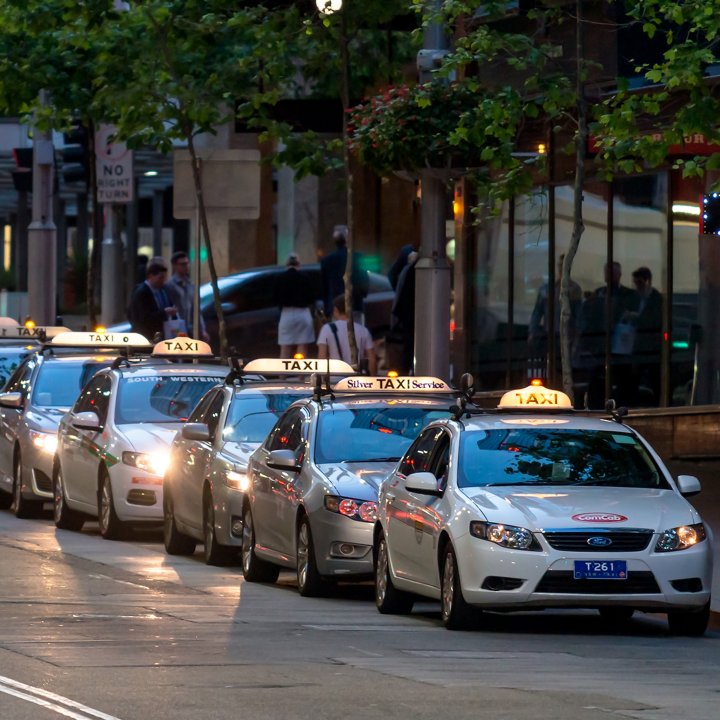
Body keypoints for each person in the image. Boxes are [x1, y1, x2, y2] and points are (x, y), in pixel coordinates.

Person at [577, 261, 639, 408]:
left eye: (613, 272)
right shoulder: (599, 294)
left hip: (620, 347)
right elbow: (589, 317)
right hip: (601, 347)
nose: (609, 275)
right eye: (607, 272)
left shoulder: (628, 295)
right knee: (597, 379)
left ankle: (621, 405)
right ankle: (595, 406)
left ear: (619, 275)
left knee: (622, 379)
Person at [527, 254, 583, 365]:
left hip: (566, 336)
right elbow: (538, 311)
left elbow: (578, 316)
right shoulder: (547, 288)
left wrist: (577, 337)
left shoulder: (574, 290)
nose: (561, 268)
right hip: (549, 333)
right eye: (560, 265)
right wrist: (532, 331)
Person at [317, 294, 377, 375]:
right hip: (358, 378)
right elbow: (372, 359)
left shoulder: (327, 329)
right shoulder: (363, 330)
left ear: (336, 310)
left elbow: (322, 357)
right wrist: (371, 378)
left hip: (335, 377)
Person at [629, 266, 663, 405]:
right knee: (634, 377)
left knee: (655, 378)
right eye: (635, 283)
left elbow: (655, 321)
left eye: (640, 283)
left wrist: (637, 318)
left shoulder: (656, 299)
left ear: (647, 281)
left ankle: (657, 403)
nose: (637, 287)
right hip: (638, 345)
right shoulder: (636, 299)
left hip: (652, 347)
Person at [320, 225, 369, 317]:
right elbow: (364, 281)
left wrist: (327, 308)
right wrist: (362, 294)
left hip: (336, 308)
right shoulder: (358, 257)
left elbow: (324, 287)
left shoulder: (326, 260)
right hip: (355, 305)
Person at [275, 252, 317, 359]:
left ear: (287, 264)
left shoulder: (280, 278)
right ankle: (300, 375)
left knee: (285, 349)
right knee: (302, 347)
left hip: (286, 314)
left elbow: (275, 298)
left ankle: (282, 375)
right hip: (303, 314)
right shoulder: (305, 277)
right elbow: (312, 298)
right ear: (299, 264)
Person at [127, 260, 178, 342]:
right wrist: (164, 312)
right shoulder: (142, 292)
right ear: (151, 276)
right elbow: (142, 317)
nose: (163, 281)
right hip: (145, 336)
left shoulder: (163, 290)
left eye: (164, 278)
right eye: (160, 278)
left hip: (159, 335)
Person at [165, 251, 209, 342]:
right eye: (183, 264)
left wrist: (202, 329)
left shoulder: (190, 284)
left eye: (187, 263)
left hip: (189, 329)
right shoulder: (169, 285)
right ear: (175, 266)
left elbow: (196, 309)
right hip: (175, 328)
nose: (186, 266)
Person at [389, 250, 419, 374]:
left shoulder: (408, 270)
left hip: (408, 316)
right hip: (412, 316)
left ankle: (409, 371)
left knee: (409, 347)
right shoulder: (412, 270)